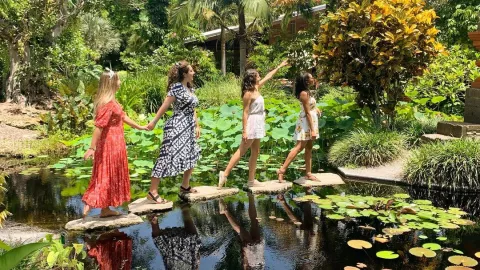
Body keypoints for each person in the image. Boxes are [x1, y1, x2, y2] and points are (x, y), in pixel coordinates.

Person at [82, 69, 148, 218]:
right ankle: (90, 201)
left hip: (116, 144)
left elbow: (123, 117)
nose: (120, 82)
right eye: (118, 80)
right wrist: (92, 148)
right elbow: (98, 126)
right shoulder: (108, 104)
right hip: (110, 145)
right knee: (106, 174)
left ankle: (105, 209)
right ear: (112, 83)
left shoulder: (112, 102)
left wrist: (140, 126)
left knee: (109, 174)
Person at [218, 61, 289, 188]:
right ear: (252, 78)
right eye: (257, 75)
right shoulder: (248, 94)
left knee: (255, 151)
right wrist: (244, 131)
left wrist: (279, 66)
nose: (259, 76)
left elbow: (269, 76)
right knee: (242, 150)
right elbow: (245, 113)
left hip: (259, 121)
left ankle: (251, 180)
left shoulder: (256, 88)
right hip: (252, 122)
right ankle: (225, 174)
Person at [146, 61, 201, 203]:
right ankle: (152, 192)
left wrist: (197, 125)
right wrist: (153, 122)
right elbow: (165, 105)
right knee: (166, 156)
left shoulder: (190, 89)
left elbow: (193, 108)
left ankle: (185, 186)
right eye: (191, 71)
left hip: (188, 127)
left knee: (192, 154)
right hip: (177, 126)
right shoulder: (176, 88)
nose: (193, 73)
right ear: (184, 74)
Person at [276, 72, 321, 182]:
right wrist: (313, 130)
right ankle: (281, 170)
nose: (313, 78)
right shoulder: (304, 94)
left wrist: (316, 108)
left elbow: (310, 108)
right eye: (311, 77)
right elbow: (307, 113)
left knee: (309, 147)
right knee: (299, 147)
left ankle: (308, 173)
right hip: (306, 123)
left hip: (310, 121)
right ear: (306, 81)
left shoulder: (307, 92)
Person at [219, 194, 265, 269]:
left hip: (256, 256)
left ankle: (250, 197)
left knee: (253, 223)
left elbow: (245, 265)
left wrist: (245, 253)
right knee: (250, 225)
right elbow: (245, 265)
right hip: (255, 256)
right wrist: (244, 252)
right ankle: (225, 211)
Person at [149, 205, 201, 269]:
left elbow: (197, 262)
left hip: (177, 255)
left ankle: (184, 208)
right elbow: (196, 263)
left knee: (193, 238)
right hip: (181, 254)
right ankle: (184, 208)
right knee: (194, 238)